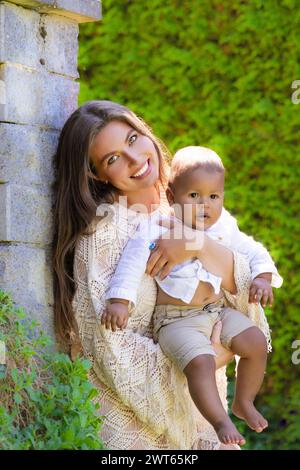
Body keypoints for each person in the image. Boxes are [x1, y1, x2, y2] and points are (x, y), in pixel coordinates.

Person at [53, 100, 263, 450]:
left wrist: (195, 245)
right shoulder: (105, 232)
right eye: (113, 158)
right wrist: (206, 354)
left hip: (206, 420)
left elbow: (240, 291)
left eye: (133, 139)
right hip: (133, 430)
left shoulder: (191, 208)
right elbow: (107, 348)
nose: (135, 159)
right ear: (96, 174)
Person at [103, 146, 283, 446]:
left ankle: (244, 401)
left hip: (215, 311)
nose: (205, 205)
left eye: (214, 196)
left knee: (256, 341)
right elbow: (133, 260)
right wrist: (120, 300)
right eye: (194, 196)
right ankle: (220, 421)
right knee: (202, 362)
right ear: (172, 198)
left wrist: (262, 276)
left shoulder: (224, 224)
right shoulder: (159, 224)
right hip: (176, 321)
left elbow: (252, 250)